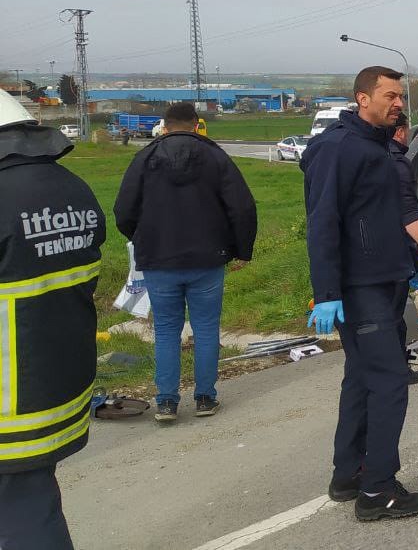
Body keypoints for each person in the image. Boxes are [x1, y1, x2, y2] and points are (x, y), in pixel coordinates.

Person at [301, 66, 418, 520]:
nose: (399, 104)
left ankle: (349, 475)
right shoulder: (338, 148)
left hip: (386, 280)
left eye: (401, 96)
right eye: (391, 95)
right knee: (391, 381)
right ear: (362, 98)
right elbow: (323, 223)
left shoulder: (377, 147)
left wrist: (412, 263)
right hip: (361, 289)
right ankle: (378, 490)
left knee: (361, 378)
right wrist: (327, 292)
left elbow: (383, 216)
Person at [0, 93, 104, 550]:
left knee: (21, 517)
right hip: (57, 387)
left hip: (9, 404)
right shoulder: (71, 186)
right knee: (33, 504)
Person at [115, 102, 257, 422]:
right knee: (206, 329)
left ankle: (166, 402)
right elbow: (243, 207)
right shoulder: (216, 157)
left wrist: (142, 239)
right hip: (207, 260)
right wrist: (240, 250)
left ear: (164, 126)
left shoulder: (145, 158)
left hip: (159, 261)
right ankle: (205, 398)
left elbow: (123, 210)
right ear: (196, 124)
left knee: (166, 331)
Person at [390, 114, 418, 385]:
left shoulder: (374, 158)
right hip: (395, 255)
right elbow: (407, 215)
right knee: (395, 318)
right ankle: (399, 371)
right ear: (400, 132)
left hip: (373, 254)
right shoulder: (397, 163)